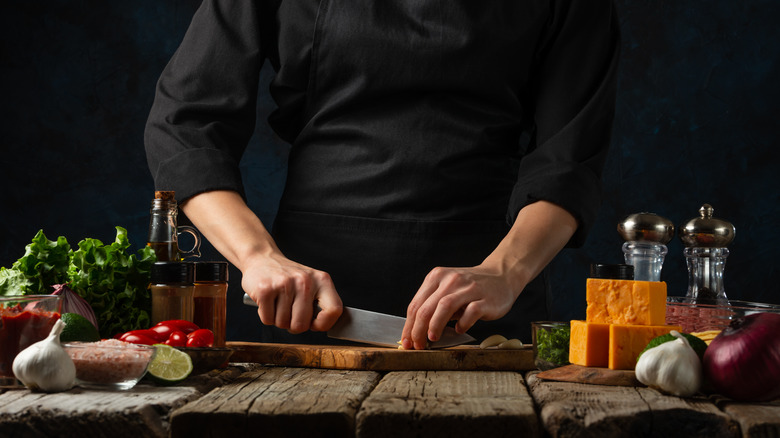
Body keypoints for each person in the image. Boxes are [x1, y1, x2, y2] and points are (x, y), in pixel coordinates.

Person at [144, 0, 621, 349]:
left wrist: (504, 271)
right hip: (314, 302)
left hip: (485, 302)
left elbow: (568, 158)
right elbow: (185, 123)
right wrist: (258, 257)